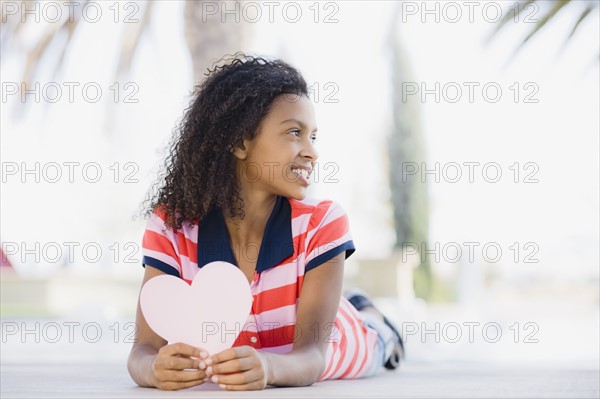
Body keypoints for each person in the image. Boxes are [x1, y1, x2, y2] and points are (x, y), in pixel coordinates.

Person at [128, 53, 404, 391]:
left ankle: (368, 313)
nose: (312, 152)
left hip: (347, 342)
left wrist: (267, 366)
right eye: (294, 133)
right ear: (239, 142)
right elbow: (142, 351)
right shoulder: (171, 227)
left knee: (378, 335)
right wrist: (153, 369)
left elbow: (313, 355)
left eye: (312, 137)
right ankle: (351, 299)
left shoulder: (322, 223)